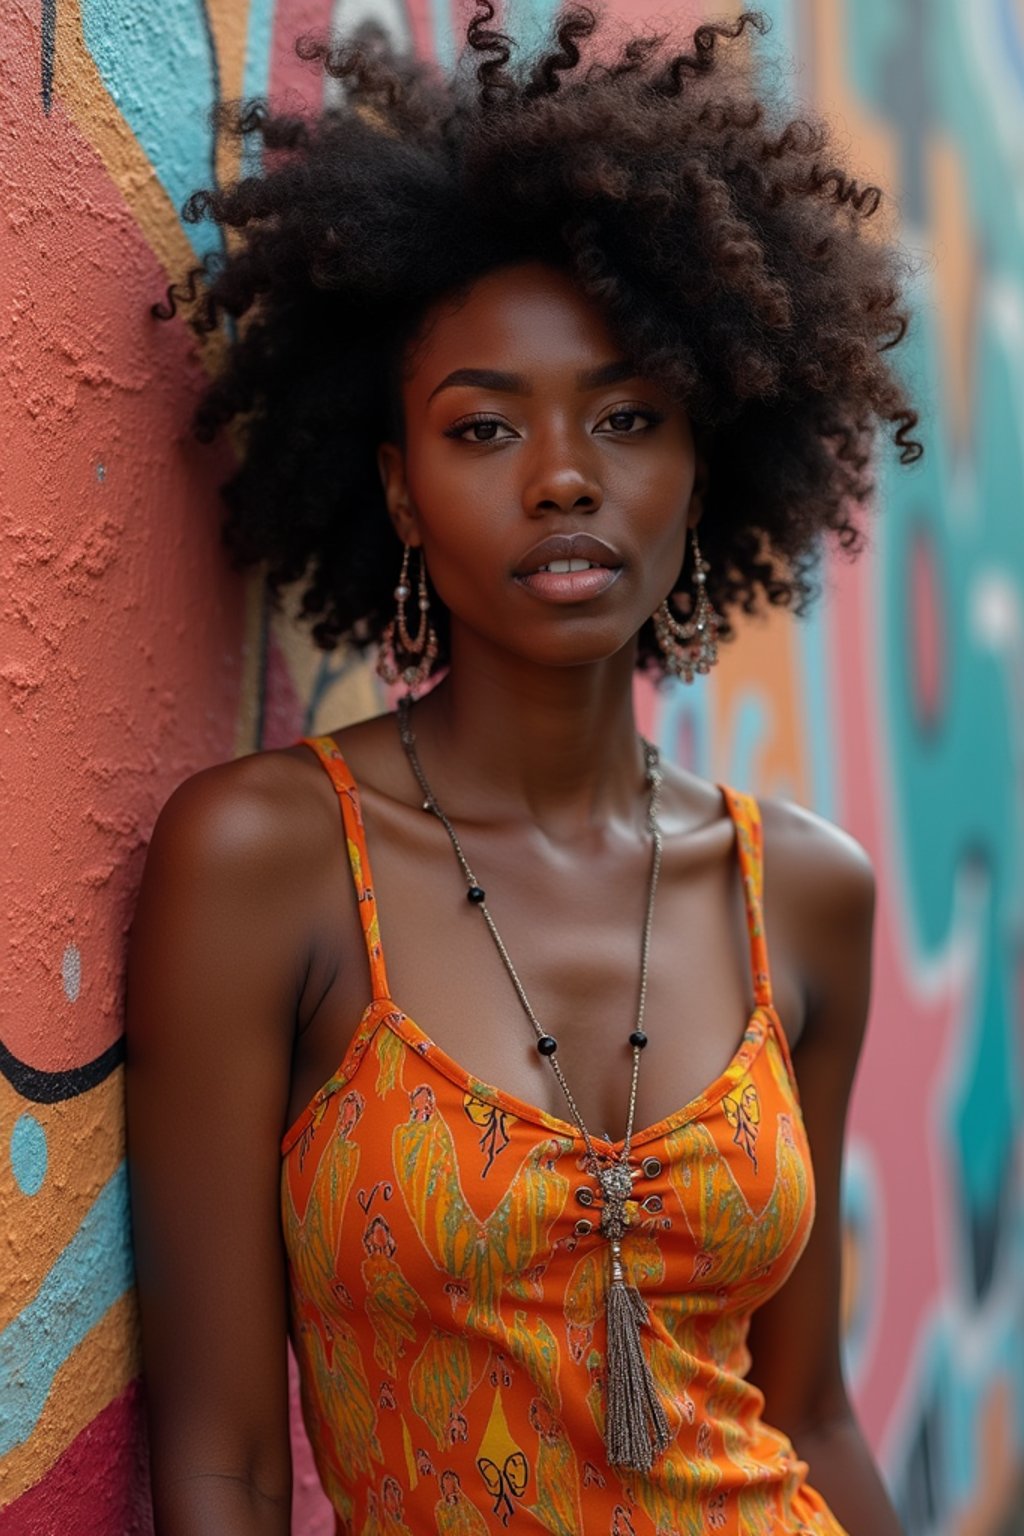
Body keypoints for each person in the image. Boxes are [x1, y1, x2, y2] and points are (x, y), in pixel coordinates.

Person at [126, 6, 920, 1533]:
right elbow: (218, 1458)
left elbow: (808, 1407)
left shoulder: (805, 892)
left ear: (707, 460)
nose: (564, 475)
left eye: (628, 418)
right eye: (484, 427)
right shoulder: (270, 858)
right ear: (399, 493)